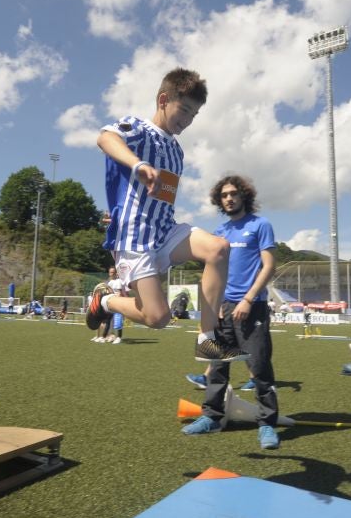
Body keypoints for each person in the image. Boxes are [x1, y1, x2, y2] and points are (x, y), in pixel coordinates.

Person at [85, 67, 247, 364]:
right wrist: (137, 165)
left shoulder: (177, 151)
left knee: (219, 248)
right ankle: (105, 300)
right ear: (163, 100)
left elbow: (162, 196)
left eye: (193, 115)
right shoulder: (138, 128)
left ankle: (206, 340)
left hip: (166, 231)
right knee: (158, 317)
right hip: (136, 239)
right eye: (183, 110)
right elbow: (105, 138)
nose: (187, 121)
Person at [181, 175, 280, 449]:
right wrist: (215, 305)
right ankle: (211, 417)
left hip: (252, 305)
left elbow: (269, 266)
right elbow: (212, 272)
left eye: (234, 193)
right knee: (216, 364)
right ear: (219, 200)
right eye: (224, 194)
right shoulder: (220, 231)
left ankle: (267, 424)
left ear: (243, 196)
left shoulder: (261, 225)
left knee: (259, 367)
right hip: (222, 307)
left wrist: (248, 299)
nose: (229, 198)